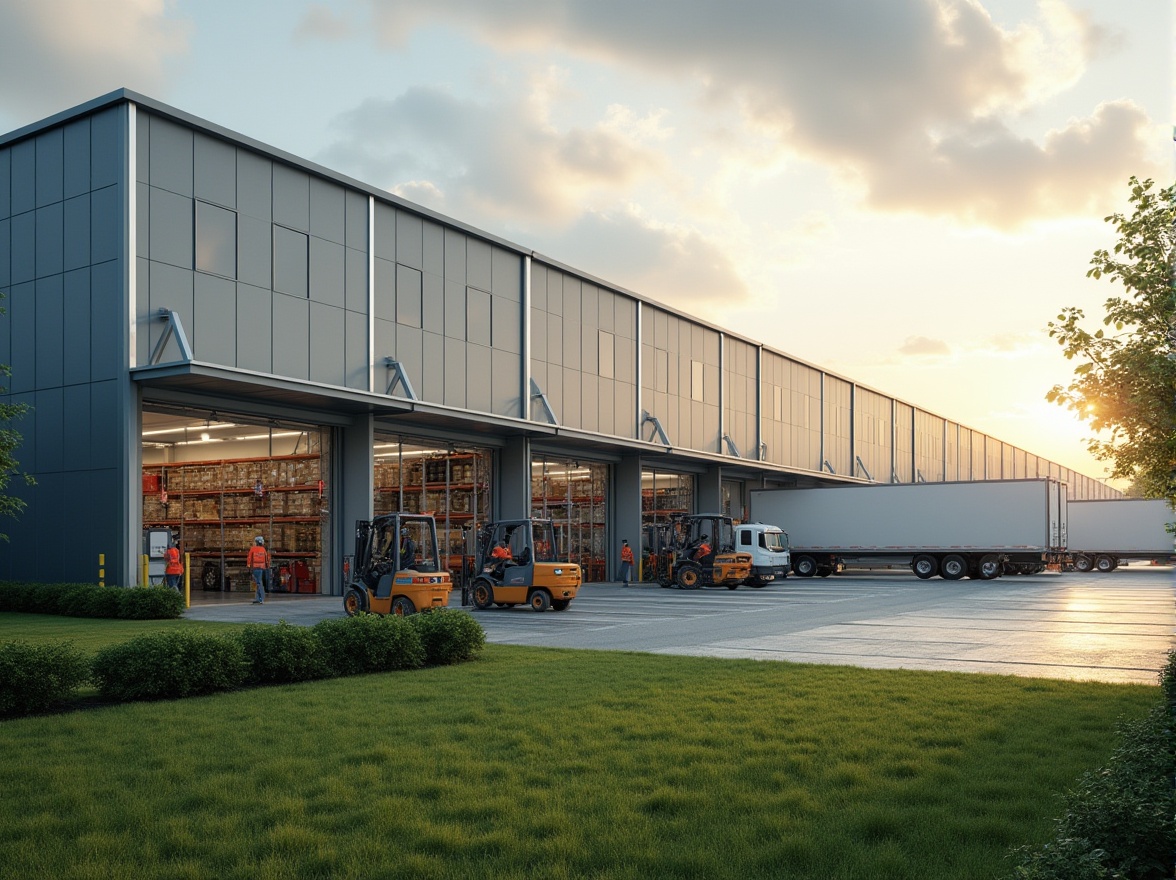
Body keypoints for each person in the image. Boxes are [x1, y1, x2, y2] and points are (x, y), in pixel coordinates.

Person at [247, 535, 270, 604]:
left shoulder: (253, 549)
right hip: (262, 568)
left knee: (258, 583)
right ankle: (258, 598)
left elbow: (249, 558)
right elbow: (267, 559)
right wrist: (267, 567)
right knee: (259, 582)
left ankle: (260, 599)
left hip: (255, 567)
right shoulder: (263, 550)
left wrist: (249, 567)